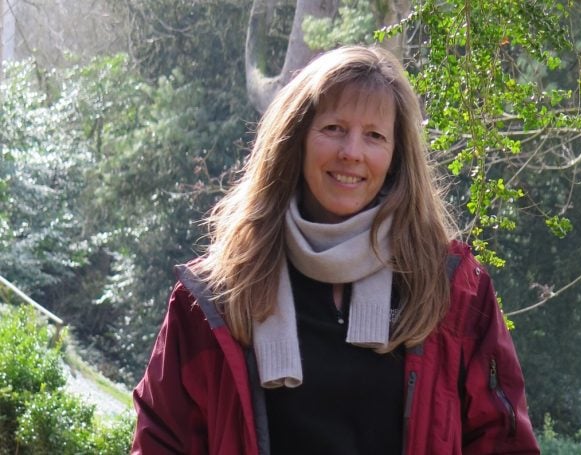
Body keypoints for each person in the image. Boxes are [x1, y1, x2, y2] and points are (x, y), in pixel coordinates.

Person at [131, 45, 539, 454]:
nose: (352, 152)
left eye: (375, 136)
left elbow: (503, 443)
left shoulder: (453, 292)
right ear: (296, 139)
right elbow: (161, 440)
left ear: (396, 156)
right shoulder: (213, 296)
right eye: (334, 128)